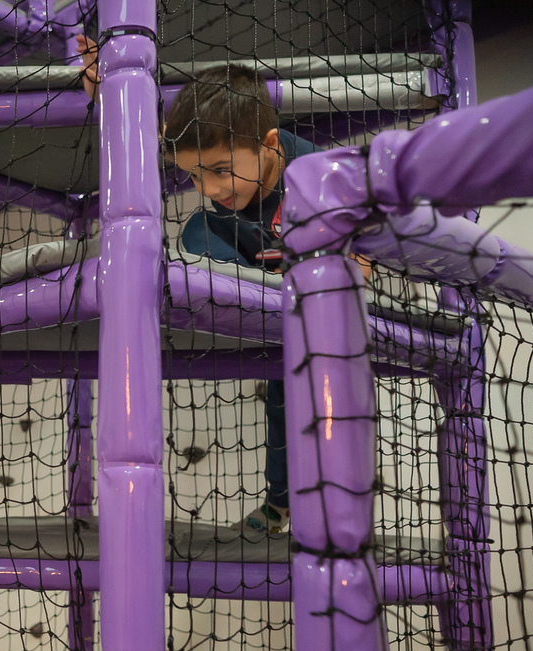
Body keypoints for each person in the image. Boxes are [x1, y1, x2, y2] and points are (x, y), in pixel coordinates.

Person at [77, 39, 371, 534]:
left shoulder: (320, 175)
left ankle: (288, 505)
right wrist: (107, 93)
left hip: (306, 275)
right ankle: (245, 286)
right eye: (194, 175)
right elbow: (147, 135)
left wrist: (355, 261)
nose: (210, 188)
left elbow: (367, 229)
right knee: (194, 230)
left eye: (219, 171)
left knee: (292, 390)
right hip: (250, 263)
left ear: (271, 145)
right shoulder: (210, 173)